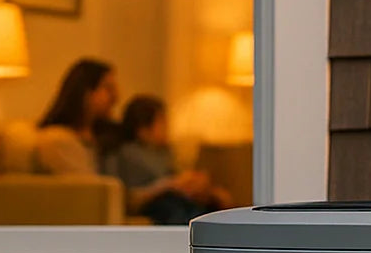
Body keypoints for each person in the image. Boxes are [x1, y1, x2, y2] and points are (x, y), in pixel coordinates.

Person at [106, 95, 230, 225]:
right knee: (176, 209)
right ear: (143, 130)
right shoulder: (128, 154)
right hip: (156, 203)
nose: (167, 127)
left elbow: (175, 175)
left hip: (177, 197)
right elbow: (131, 196)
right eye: (162, 122)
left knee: (209, 207)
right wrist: (168, 185)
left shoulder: (164, 152)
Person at [34, 58, 122, 175]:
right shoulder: (60, 141)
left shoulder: (107, 134)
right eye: (108, 89)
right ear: (86, 93)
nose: (116, 97)